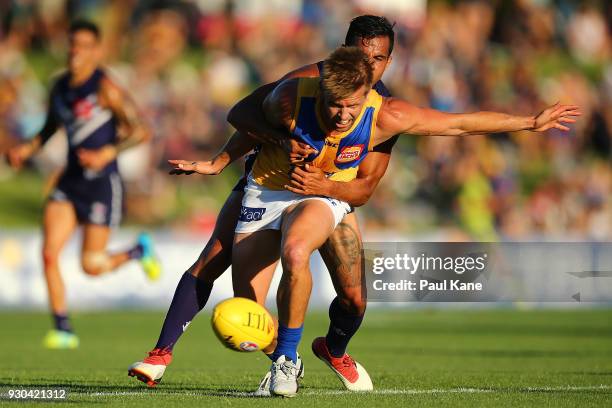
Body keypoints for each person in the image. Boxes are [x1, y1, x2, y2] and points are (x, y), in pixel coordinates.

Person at [226, 45, 580, 397]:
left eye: (353, 104)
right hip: (267, 191)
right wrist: (280, 140)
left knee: (297, 251)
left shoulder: (385, 116)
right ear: (321, 91)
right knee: (249, 309)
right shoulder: (290, 96)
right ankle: (287, 356)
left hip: (323, 193)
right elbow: (241, 115)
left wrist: (530, 122)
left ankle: (285, 361)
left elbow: (457, 124)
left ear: (367, 94)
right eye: (336, 104)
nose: (343, 115)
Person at [128, 15, 397, 392]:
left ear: (389, 61)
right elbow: (249, 115)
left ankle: (333, 350)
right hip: (269, 183)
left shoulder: (385, 108)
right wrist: (221, 161)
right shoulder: (305, 80)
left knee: (353, 299)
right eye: (362, 54)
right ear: (344, 48)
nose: (369, 64)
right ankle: (165, 355)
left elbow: (367, 184)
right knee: (218, 265)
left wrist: (331, 189)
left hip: (327, 194)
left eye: (379, 58)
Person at [6, 20, 160, 349]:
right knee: (49, 253)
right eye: (72, 44)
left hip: (102, 184)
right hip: (71, 180)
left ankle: (137, 250)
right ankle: (62, 328)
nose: (76, 52)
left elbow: (140, 130)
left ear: (96, 51)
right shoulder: (60, 86)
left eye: (84, 46)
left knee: (91, 265)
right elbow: (50, 127)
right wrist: (27, 148)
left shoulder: (106, 87)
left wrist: (108, 151)